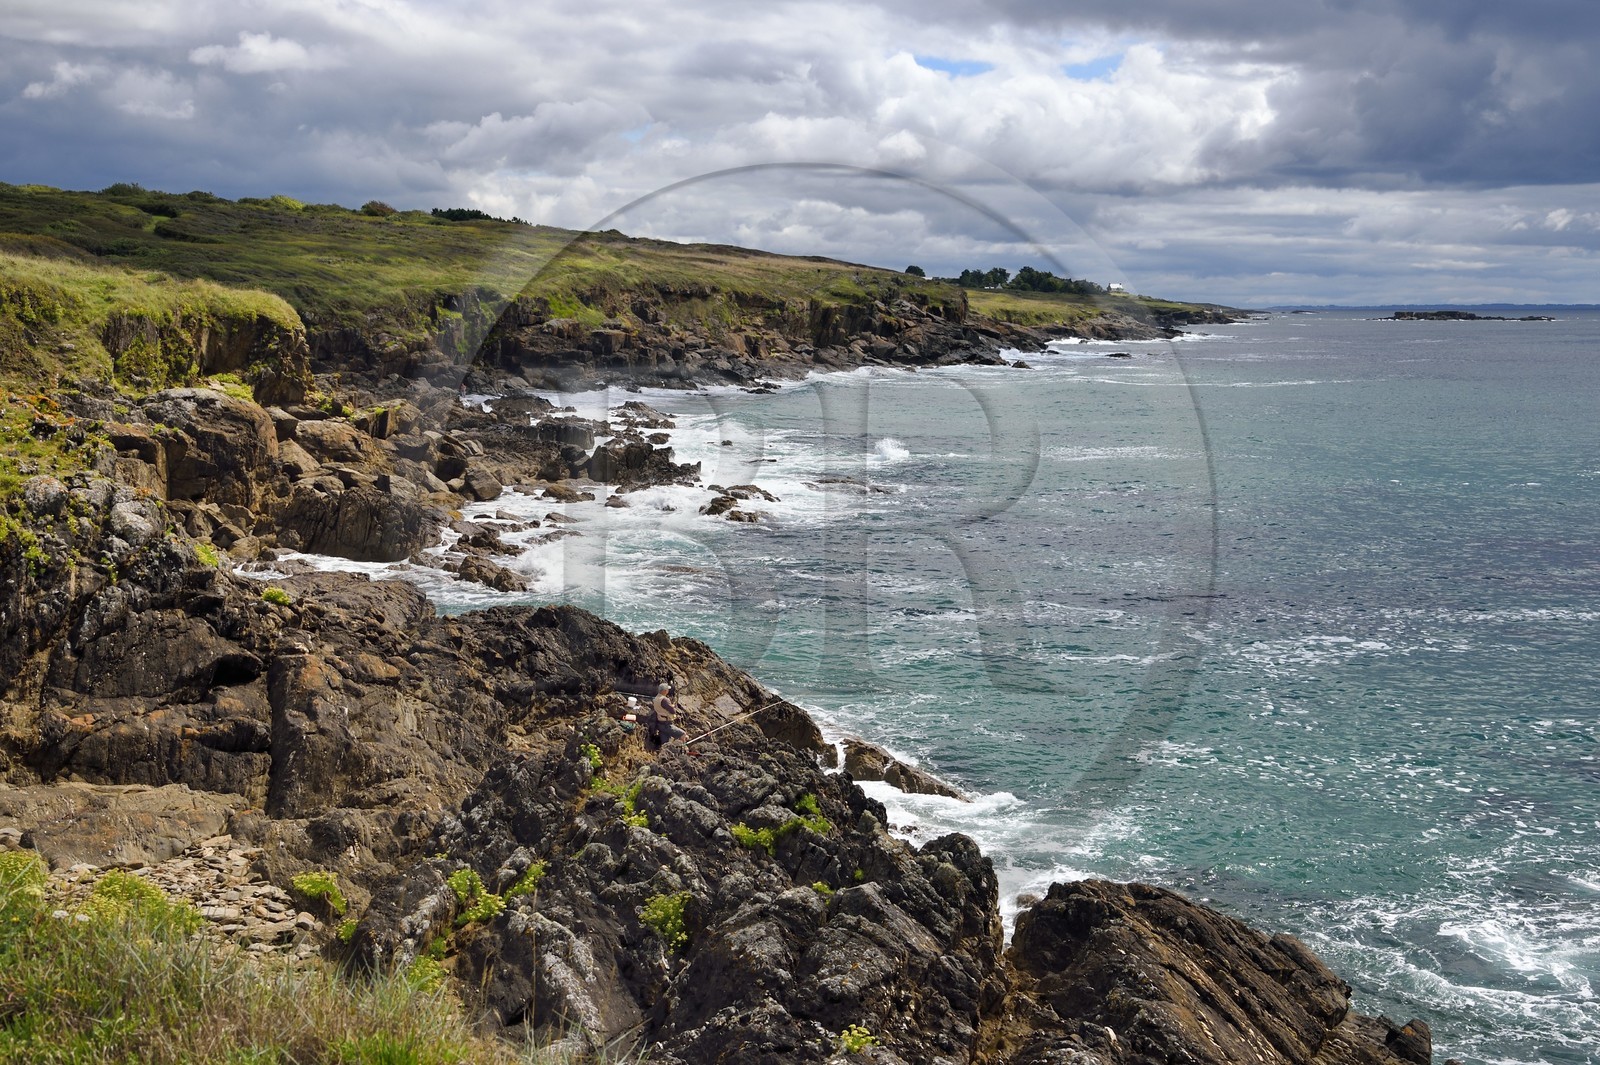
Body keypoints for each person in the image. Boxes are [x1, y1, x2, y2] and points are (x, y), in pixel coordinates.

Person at [649, 681, 686, 749]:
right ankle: (683, 750)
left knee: (665, 745)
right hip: (667, 724)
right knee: (683, 734)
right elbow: (673, 711)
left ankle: (666, 755)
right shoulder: (665, 700)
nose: (668, 691)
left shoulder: (656, 698)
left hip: (660, 724)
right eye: (667, 689)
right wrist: (672, 706)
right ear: (664, 691)